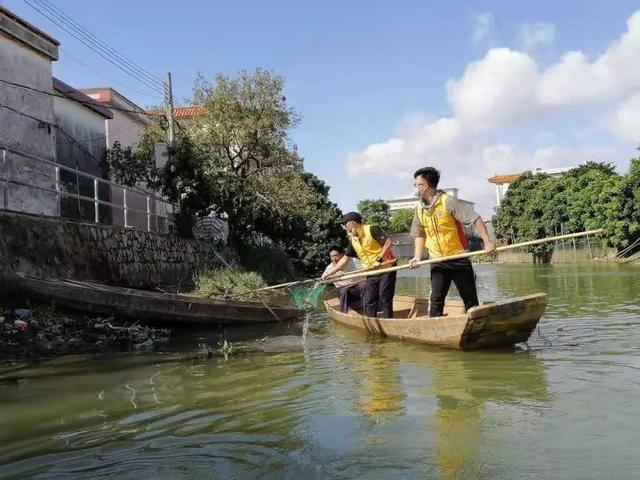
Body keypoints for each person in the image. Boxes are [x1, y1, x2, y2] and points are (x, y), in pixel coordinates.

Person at [409, 167, 495, 317]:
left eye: (417, 184)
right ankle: (435, 326)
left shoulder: (447, 202)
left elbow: (475, 218)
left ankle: (476, 325)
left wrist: (487, 242)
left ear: (426, 185)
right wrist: (417, 257)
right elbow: (420, 234)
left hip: (458, 257)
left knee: (470, 300)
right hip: (437, 260)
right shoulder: (419, 209)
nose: (415, 188)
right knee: (436, 300)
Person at [322, 212, 397, 318]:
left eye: (346, 225)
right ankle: (371, 323)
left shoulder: (372, 229)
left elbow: (388, 243)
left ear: (352, 223)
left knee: (385, 297)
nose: (345, 228)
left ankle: (388, 321)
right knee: (369, 299)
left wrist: (378, 259)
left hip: (387, 268)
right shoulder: (353, 240)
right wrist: (331, 272)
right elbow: (344, 259)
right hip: (371, 271)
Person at [321, 246, 362, 313]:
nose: (334, 259)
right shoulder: (330, 268)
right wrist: (331, 277)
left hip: (357, 288)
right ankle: (344, 313)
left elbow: (365, 271)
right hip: (343, 290)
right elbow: (323, 280)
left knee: (365, 286)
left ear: (342, 255)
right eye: (332, 256)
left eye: (336, 256)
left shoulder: (354, 261)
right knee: (344, 290)